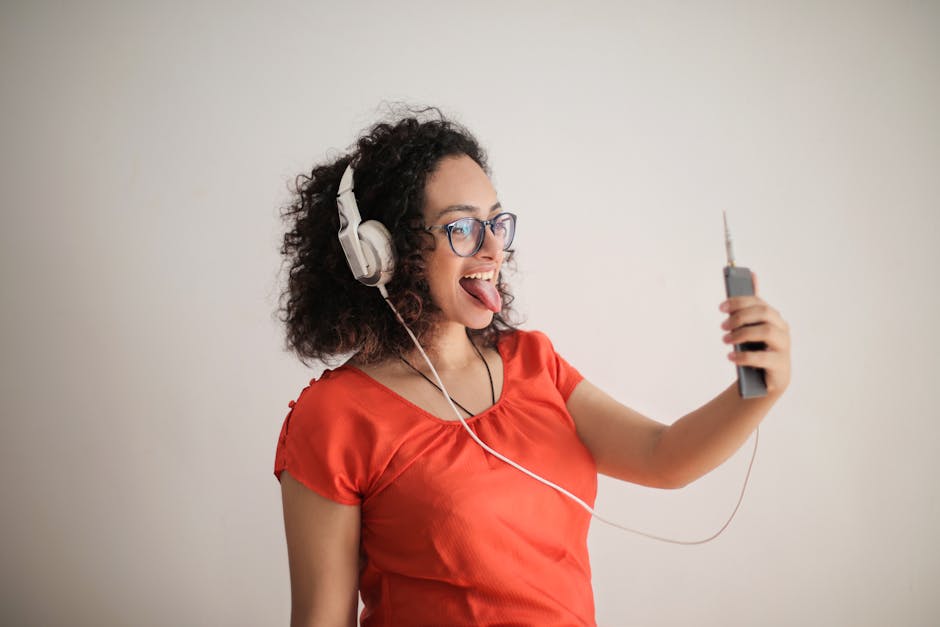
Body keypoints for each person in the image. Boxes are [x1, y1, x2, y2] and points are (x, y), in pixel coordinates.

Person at [273, 107, 791, 627]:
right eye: (462, 227)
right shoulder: (335, 416)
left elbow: (663, 457)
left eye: (496, 222)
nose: (494, 247)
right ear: (380, 252)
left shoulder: (532, 362)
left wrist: (758, 391)